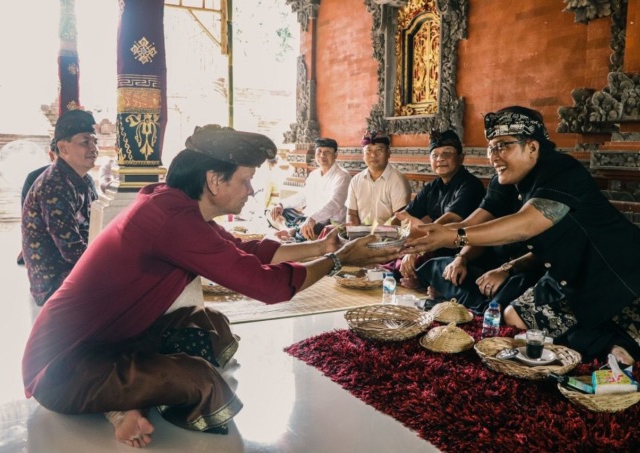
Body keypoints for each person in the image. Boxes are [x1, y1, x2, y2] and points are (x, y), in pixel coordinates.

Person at [21, 125, 401, 448]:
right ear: (213, 180)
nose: (251, 190)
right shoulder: (171, 220)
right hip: (61, 367)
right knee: (199, 380)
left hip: (108, 341)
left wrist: (320, 247)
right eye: (245, 179)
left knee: (210, 326)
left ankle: (126, 396)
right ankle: (121, 402)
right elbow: (268, 286)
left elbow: (246, 250)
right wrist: (338, 261)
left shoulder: (175, 207)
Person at [403, 105, 640, 368]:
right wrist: (437, 234)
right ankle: (605, 343)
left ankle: (612, 343)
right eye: (490, 148)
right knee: (513, 318)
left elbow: (525, 224)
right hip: (568, 276)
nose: (493, 156)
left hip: (623, 273)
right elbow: (479, 216)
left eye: (502, 146)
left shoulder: (562, 171)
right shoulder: (505, 179)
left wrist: (454, 238)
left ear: (532, 147)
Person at [389, 129, 485, 289]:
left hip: (459, 250)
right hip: (431, 244)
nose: (440, 159)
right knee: (390, 255)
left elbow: (449, 220)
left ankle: (423, 282)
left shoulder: (470, 185)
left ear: (461, 158)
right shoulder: (434, 185)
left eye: (447, 153)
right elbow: (402, 216)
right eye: (435, 155)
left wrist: (414, 250)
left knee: (409, 264)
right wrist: (384, 235)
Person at [20, 109, 99, 305]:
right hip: (53, 281)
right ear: (63, 148)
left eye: (94, 142)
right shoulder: (53, 185)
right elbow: (71, 250)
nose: (94, 148)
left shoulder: (85, 181)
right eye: (85, 142)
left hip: (72, 268)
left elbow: (93, 229)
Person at [270, 137, 351, 241]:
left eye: (327, 152)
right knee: (273, 212)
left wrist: (313, 219)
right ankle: (289, 230)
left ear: (335, 155)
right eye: (319, 151)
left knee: (312, 231)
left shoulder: (342, 176)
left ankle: (294, 231)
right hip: (307, 218)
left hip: (326, 223)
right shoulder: (313, 174)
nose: (322, 155)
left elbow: (335, 203)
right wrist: (281, 205)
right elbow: (303, 196)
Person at [346, 130, 411, 226]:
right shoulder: (355, 180)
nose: (373, 155)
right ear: (363, 155)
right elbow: (351, 213)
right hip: (361, 235)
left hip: (388, 236)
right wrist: (353, 231)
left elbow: (399, 218)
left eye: (379, 150)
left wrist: (376, 235)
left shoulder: (398, 180)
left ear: (388, 153)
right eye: (369, 150)